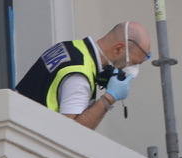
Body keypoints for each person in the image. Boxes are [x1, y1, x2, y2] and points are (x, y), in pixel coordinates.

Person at [15, 21, 151, 129]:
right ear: (118, 49)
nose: (132, 71)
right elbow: (72, 135)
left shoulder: (70, 47)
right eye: (132, 62)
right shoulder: (80, 77)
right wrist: (109, 98)